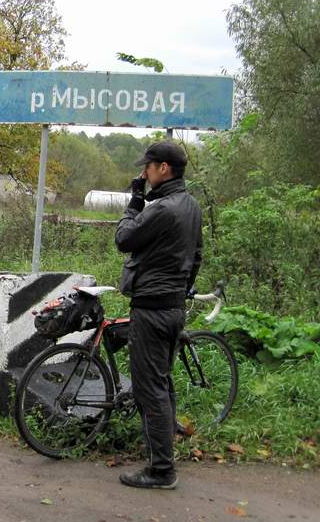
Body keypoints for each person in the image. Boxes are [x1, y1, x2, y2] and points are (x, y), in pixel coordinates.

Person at [114, 141, 202, 490]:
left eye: (148, 167)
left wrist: (135, 201)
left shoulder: (162, 208)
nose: (144, 173)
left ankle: (162, 469)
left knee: (150, 390)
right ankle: (163, 457)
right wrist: (179, 290)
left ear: (164, 168)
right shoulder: (191, 206)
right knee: (162, 385)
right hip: (174, 307)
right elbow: (196, 257)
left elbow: (124, 238)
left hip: (151, 309)